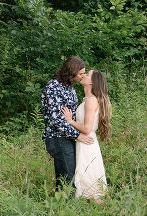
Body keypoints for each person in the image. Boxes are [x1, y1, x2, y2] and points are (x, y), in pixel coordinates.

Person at [41, 56, 94, 193]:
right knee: (68, 178)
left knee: (66, 177)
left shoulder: (69, 87)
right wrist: (77, 135)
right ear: (72, 71)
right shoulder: (53, 86)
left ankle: (60, 207)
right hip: (57, 137)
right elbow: (56, 119)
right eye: (81, 73)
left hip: (67, 137)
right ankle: (64, 208)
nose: (82, 76)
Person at [62, 69, 111, 202]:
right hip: (85, 143)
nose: (83, 75)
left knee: (89, 178)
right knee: (88, 178)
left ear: (92, 82)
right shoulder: (88, 99)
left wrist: (70, 121)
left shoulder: (91, 101)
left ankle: (99, 209)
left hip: (87, 143)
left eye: (87, 74)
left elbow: (87, 128)